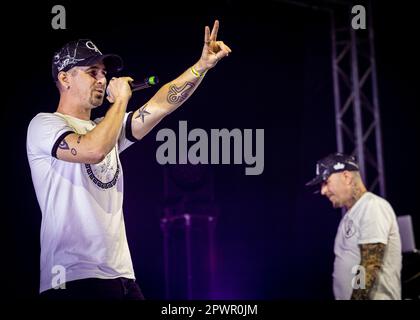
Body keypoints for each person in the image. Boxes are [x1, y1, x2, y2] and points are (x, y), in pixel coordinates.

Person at [26, 20, 231, 300]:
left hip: (121, 277)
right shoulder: (44, 125)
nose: (102, 79)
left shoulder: (105, 125)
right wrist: (121, 100)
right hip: (73, 278)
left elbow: (161, 104)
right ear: (64, 78)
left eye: (104, 72)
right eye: (92, 72)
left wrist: (201, 67)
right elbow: (93, 149)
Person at [306, 152, 402, 300]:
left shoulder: (372, 205)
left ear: (346, 177)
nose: (323, 191)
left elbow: (369, 265)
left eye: (326, 182)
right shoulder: (349, 216)